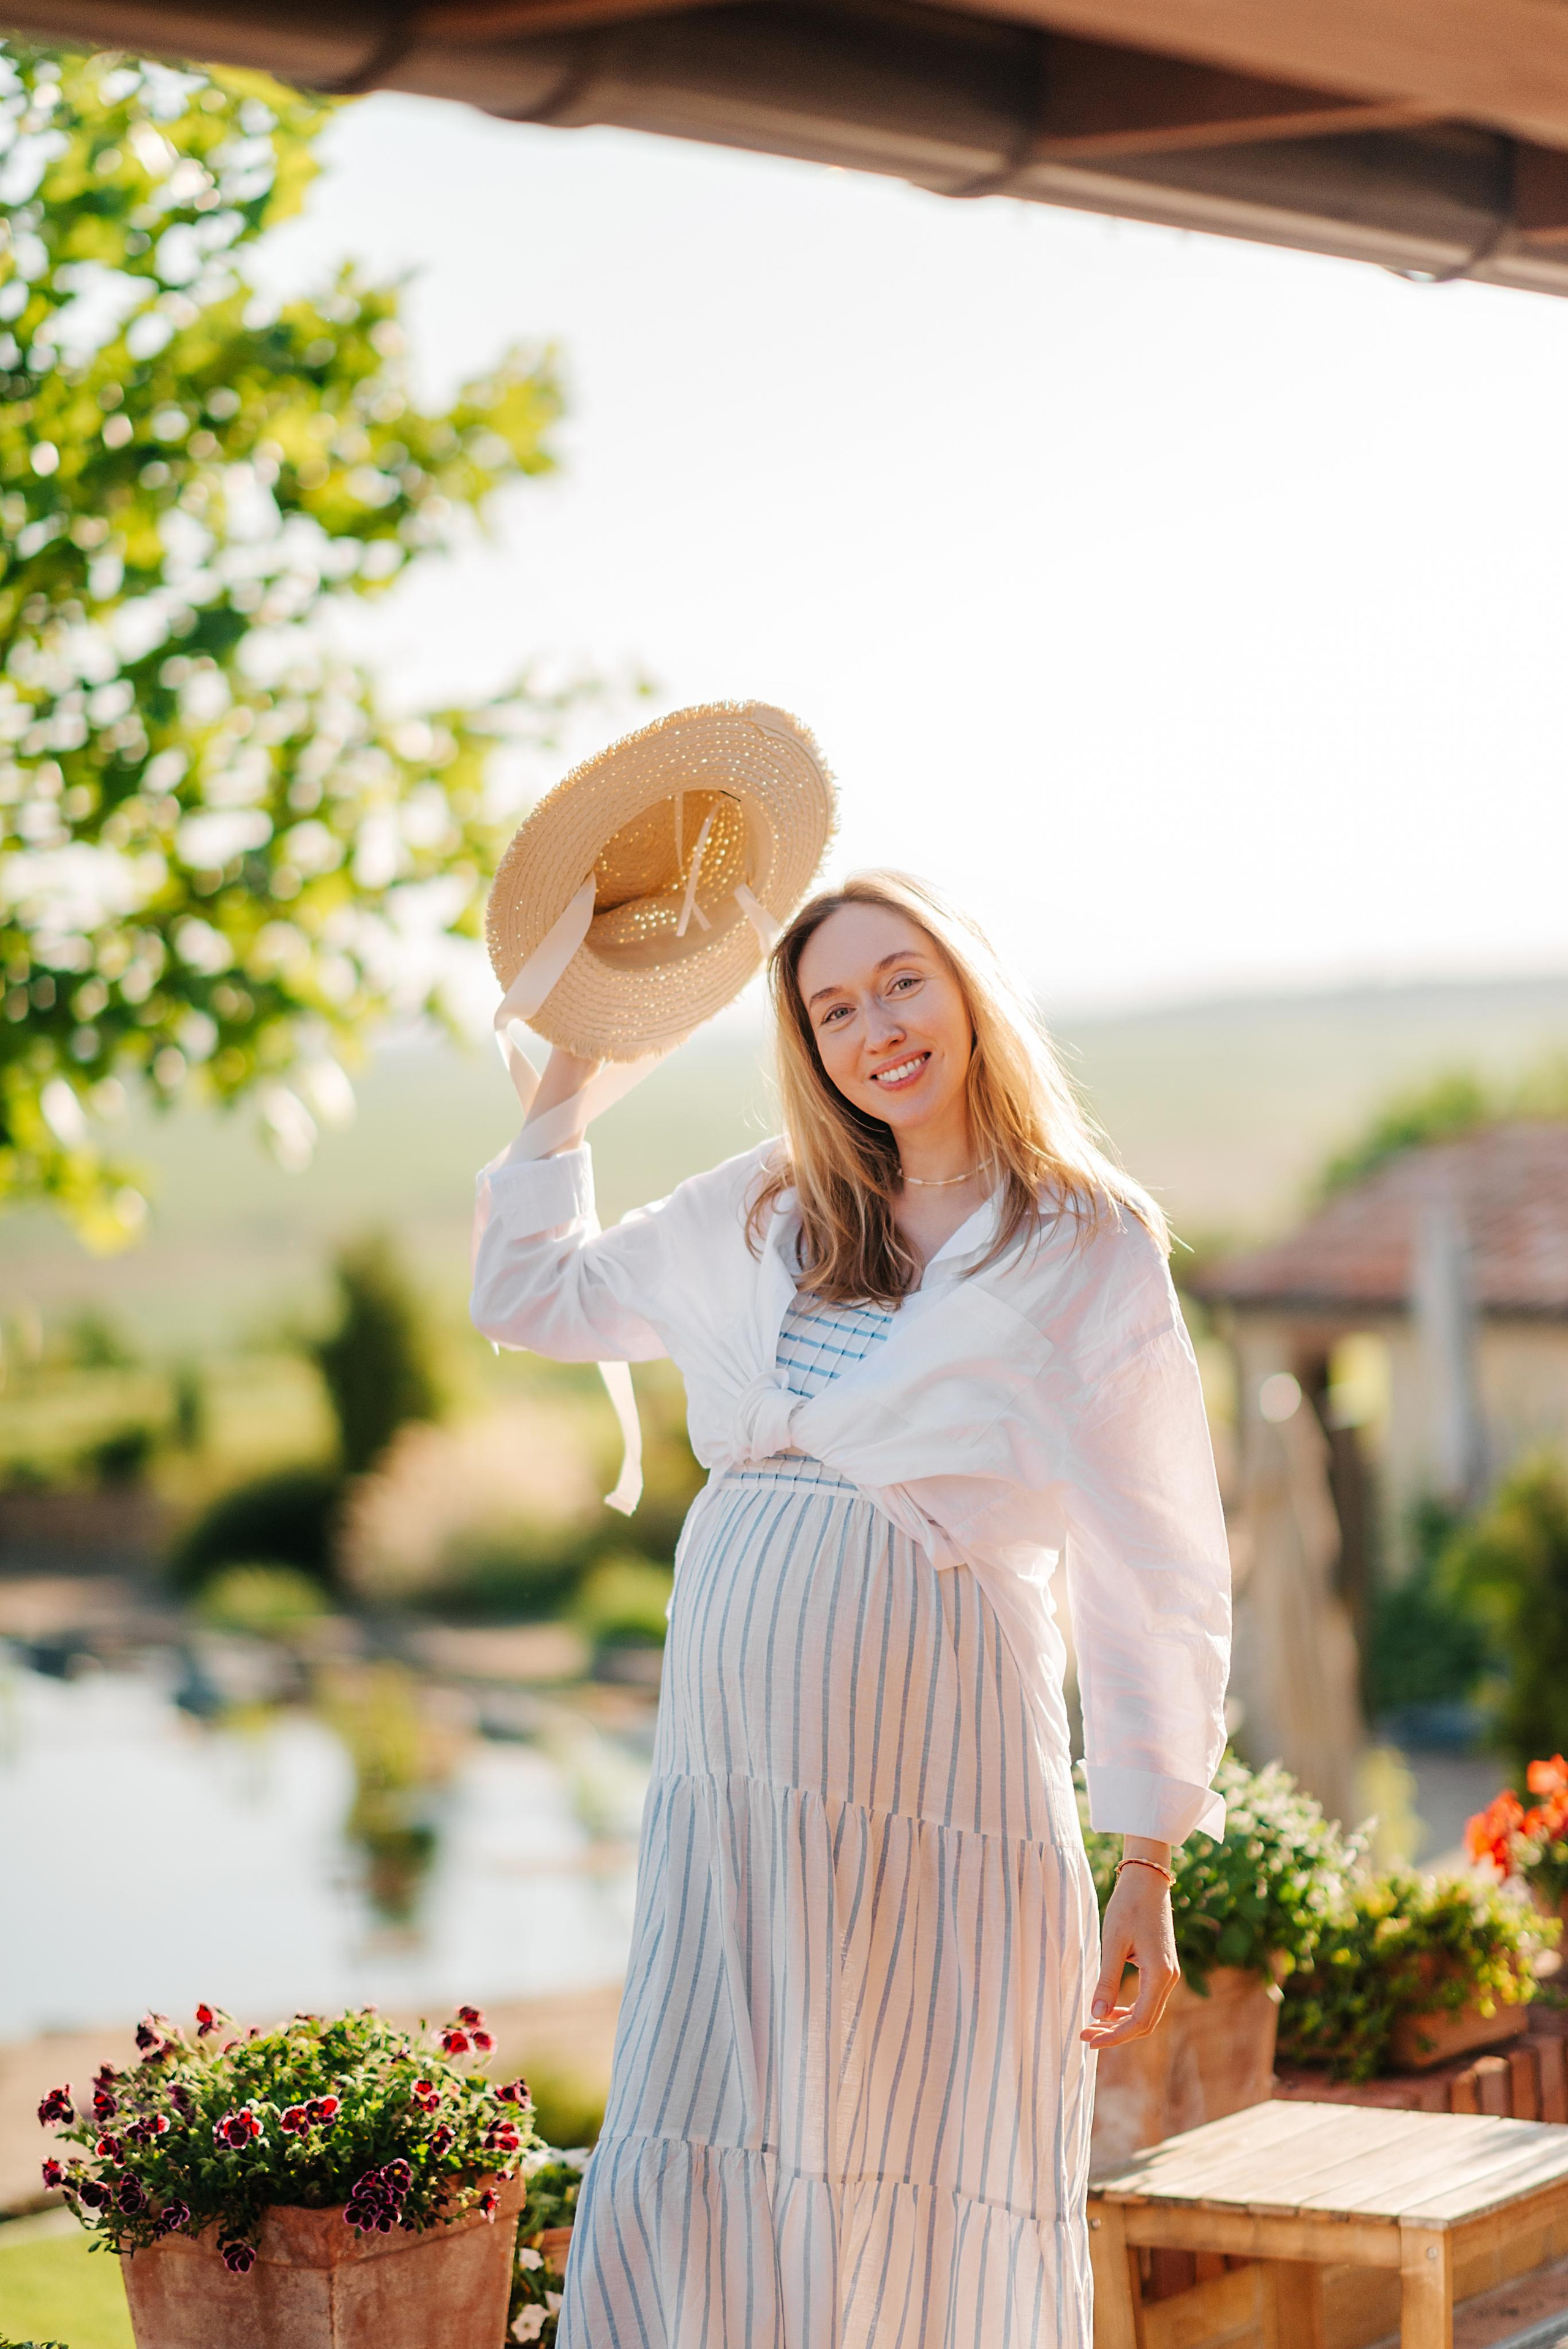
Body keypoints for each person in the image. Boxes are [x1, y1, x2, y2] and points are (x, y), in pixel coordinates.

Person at [471, 869, 1231, 2348]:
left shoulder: (1085, 1240)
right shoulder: (765, 1200)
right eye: (830, 1008)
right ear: (804, 1044)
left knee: (925, 2113)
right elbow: (530, 1295)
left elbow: (1154, 1562)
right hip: (735, 1780)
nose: (873, 1026)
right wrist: (566, 1080)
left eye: (898, 982)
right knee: (714, 2096)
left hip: (944, 1770)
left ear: (964, 989)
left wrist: (1145, 1848)